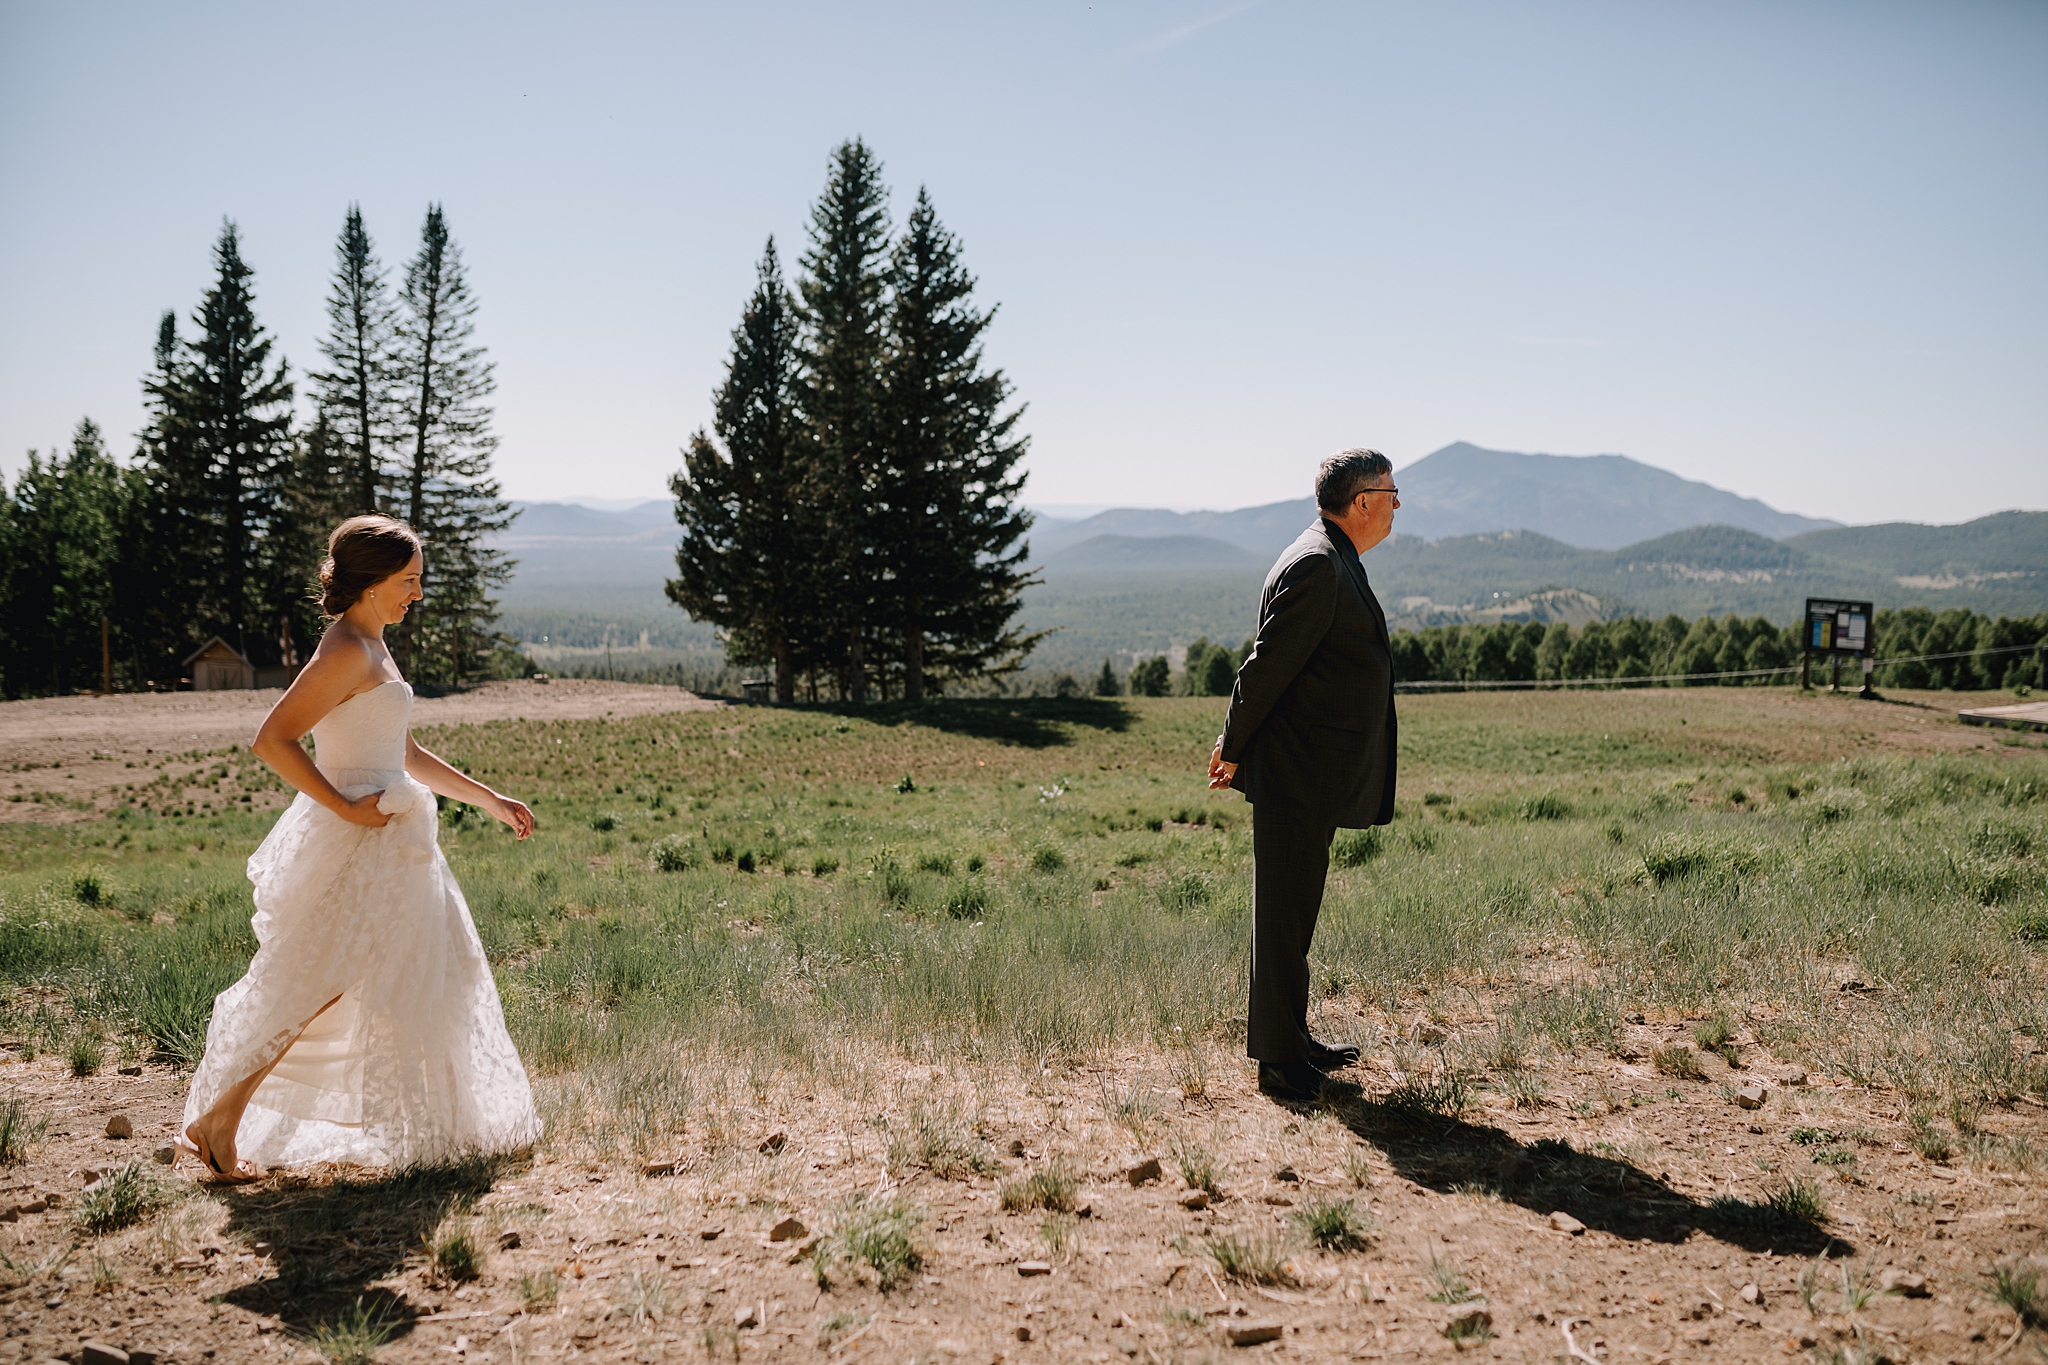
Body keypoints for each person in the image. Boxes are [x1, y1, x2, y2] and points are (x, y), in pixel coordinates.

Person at [179, 515, 542, 1180]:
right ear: (372, 582)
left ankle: (423, 1123)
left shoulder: (374, 643)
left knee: (411, 976)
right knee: (318, 981)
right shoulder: (346, 648)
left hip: (398, 841)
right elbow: (273, 739)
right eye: (409, 580)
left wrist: (489, 798)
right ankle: (222, 1118)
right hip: (356, 837)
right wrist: (344, 806)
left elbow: (404, 752)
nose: (418, 593)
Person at [1208, 450, 1400, 1104]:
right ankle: (1279, 1064)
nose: (1397, 506)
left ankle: (1292, 1040)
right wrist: (1232, 744)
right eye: (1392, 494)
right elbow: (1266, 666)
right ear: (1363, 500)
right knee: (1282, 919)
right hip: (1296, 770)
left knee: (1293, 918)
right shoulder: (1319, 563)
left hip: (1310, 771)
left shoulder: (1334, 555)